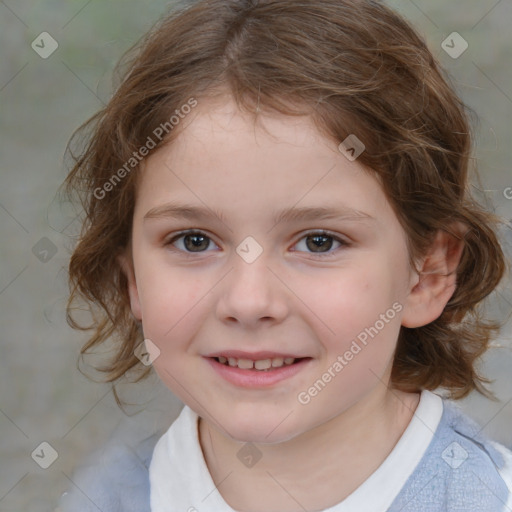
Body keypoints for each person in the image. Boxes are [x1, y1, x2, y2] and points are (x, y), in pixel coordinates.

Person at [59, 0, 512, 510]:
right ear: (133, 279)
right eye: (194, 240)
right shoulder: (103, 495)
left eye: (319, 242)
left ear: (426, 274)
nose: (249, 301)